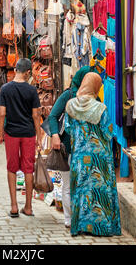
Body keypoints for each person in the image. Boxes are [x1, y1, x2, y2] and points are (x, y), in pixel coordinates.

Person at [65, 72, 122, 237]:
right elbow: (107, 132)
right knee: (99, 191)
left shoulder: (71, 106)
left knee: (82, 191)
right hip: (99, 158)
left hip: (79, 158)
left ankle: (80, 226)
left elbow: (68, 128)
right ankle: (101, 228)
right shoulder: (100, 108)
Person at [48, 66, 98, 229]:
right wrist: (55, 134)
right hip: (68, 148)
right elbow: (53, 116)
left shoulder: (96, 99)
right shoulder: (68, 95)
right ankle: (70, 219)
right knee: (69, 185)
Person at [0, 58, 41, 218]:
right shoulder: (31, 90)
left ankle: (14, 206)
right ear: (28, 72)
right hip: (28, 133)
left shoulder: (5, 89)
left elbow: (2, 113)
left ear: (15, 70)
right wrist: (39, 137)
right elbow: (36, 115)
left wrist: (1, 133)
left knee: (12, 168)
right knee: (29, 168)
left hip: (12, 134)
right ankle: (28, 207)